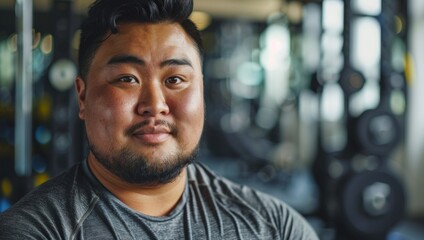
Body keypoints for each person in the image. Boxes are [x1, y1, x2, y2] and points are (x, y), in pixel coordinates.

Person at [0, 0, 319, 239]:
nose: (155, 105)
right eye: (127, 79)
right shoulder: (34, 232)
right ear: (82, 97)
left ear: (202, 93)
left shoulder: (277, 227)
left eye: (175, 79)